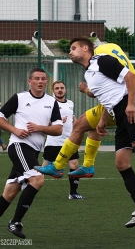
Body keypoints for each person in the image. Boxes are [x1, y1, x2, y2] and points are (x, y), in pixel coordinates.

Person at [35, 38, 135, 228]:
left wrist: (132, 104)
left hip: (131, 105)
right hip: (117, 111)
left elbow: (130, 77)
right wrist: (102, 120)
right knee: (121, 162)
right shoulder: (90, 73)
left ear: (86, 48)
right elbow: (107, 96)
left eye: (73, 48)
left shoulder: (101, 60)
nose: (70, 52)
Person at [0, 68, 63, 238]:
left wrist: (40, 128)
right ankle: (15, 222)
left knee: (10, 192)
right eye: (36, 79)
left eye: (43, 79)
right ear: (30, 81)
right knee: (37, 179)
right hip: (19, 146)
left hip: (33, 151)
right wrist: (14, 129)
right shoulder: (19, 98)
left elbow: (58, 129)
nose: (40, 81)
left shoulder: (52, 102)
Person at [42, 80, 85, 199]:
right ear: (53, 91)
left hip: (69, 141)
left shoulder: (70, 103)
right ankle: (29, 184)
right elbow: (44, 123)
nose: (60, 90)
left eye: (61, 87)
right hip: (53, 142)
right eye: (57, 88)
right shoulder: (49, 104)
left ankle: (73, 193)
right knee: (44, 168)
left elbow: (73, 118)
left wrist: (78, 128)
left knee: (74, 165)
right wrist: (59, 121)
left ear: (65, 89)